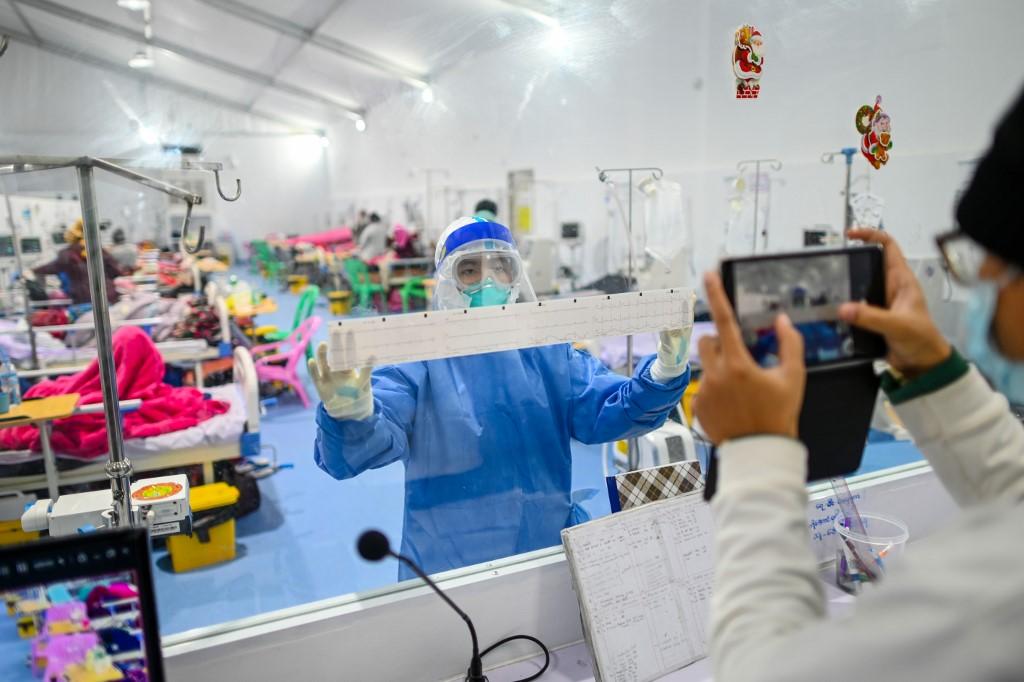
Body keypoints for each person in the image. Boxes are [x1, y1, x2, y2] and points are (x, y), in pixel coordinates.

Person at [695, 90, 1024, 681]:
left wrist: (756, 452)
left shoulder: (992, 601)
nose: (982, 286)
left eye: (986, 261)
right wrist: (932, 370)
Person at [310, 217, 694, 578]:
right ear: (447, 280)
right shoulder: (419, 361)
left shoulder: (548, 354)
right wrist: (352, 416)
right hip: (449, 570)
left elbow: (610, 410)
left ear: (516, 274)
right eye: (470, 269)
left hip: (544, 551)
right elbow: (365, 446)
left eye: (500, 266)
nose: (489, 280)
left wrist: (664, 371)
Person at [33, 219, 124, 304]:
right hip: (107, 297)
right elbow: (116, 271)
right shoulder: (100, 251)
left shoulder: (67, 253)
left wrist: (34, 270)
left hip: (84, 300)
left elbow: (52, 268)